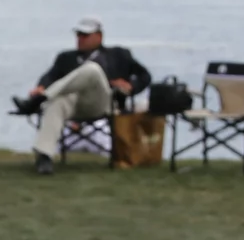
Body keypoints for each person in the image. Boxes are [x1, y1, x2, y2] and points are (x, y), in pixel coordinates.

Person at [19, 21, 150, 174]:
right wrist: (41, 86)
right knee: (57, 102)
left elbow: (145, 76)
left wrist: (131, 86)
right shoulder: (65, 57)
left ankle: (40, 100)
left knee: (92, 69)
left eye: (85, 35)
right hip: (72, 104)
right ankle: (44, 157)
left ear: (99, 37)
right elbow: (49, 76)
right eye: (78, 35)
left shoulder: (118, 54)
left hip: (102, 102)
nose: (80, 39)